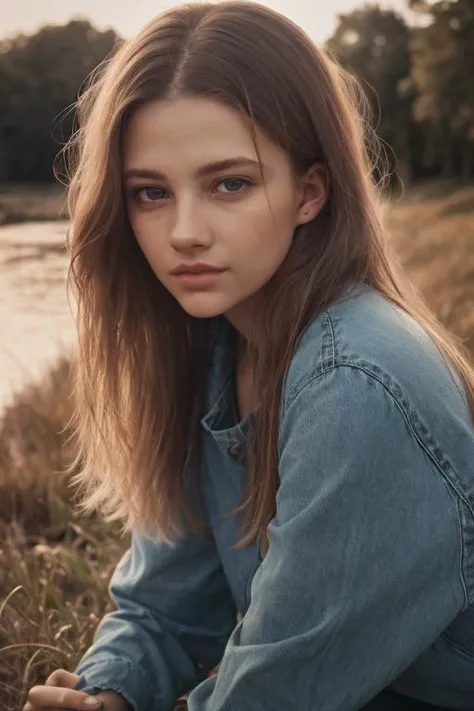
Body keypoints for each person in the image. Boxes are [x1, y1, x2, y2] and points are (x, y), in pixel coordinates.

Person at [24, 2, 474, 710]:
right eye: (150, 193)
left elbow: (274, 693)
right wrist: (105, 690)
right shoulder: (214, 348)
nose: (184, 232)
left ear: (309, 191)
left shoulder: (356, 381)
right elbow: (165, 604)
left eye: (229, 183)